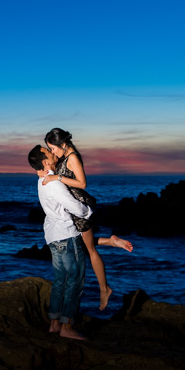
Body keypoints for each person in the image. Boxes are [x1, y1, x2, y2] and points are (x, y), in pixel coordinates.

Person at [42, 128, 132, 310]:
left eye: (52, 148)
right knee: (81, 246)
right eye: (49, 149)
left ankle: (104, 289)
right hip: (72, 208)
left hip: (79, 209)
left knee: (89, 250)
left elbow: (82, 183)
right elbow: (52, 168)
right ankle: (112, 241)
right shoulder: (64, 155)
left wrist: (56, 178)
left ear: (63, 144)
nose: (52, 152)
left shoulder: (73, 157)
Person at [28, 144, 91, 340]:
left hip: (53, 236)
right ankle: (67, 327)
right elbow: (78, 210)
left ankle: (54, 324)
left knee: (60, 282)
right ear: (45, 162)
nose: (53, 152)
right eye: (49, 152)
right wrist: (89, 211)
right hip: (66, 235)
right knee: (75, 280)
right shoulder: (54, 183)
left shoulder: (41, 181)